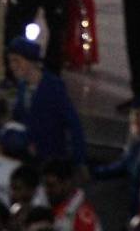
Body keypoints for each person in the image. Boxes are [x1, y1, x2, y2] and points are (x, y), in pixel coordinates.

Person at [7, 34, 85, 166]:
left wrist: (79, 161)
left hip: (50, 160)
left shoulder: (53, 86)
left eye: (17, 60)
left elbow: (74, 124)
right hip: (30, 158)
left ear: (30, 62)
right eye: (10, 61)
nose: (12, 66)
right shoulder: (22, 86)